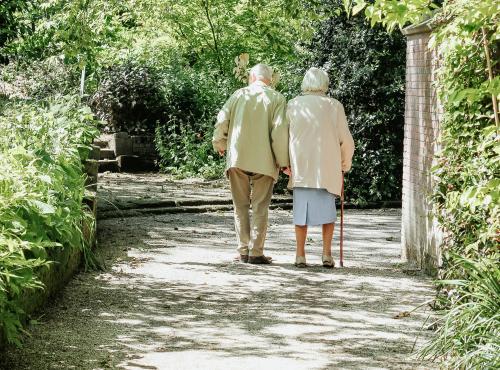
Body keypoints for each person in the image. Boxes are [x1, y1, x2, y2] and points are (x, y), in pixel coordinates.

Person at [212, 63, 289, 264]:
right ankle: (256, 253)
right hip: (265, 161)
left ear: (252, 77)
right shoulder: (277, 98)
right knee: (260, 207)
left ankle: (243, 250)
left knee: (240, 206)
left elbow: (222, 121)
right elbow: (279, 132)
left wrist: (220, 143)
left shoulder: (238, 95)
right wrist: (283, 162)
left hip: (238, 158)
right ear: (269, 80)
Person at [286, 67, 354, 268]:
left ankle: (300, 255)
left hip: (302, 167)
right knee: (328, 214)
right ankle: (326, 254)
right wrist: (345, 163)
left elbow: (284, 136)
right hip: (327, 168)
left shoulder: (293, 104)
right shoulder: (334, 106)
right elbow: (346, 140)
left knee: (300, 214)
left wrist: (285, 163)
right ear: (325, 84)